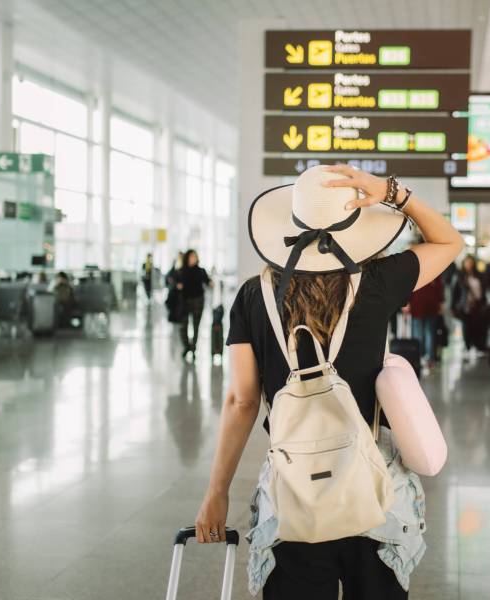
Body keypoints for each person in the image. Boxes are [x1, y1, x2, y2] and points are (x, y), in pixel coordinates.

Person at [195, 164, 463, 599]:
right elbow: (450, 241)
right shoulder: (379, 281)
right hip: (374, 487)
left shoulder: (251, 296)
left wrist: (217, 492)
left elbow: (241, 402)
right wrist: (393, 193)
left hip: (293, 488)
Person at [174, 249, 211, 359]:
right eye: (191, 257)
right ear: (187, 258)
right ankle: (187, 346)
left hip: (198, 301)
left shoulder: (201, 271)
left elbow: (207, 281)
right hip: (185, 302)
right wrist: (177, 285)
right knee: (183, 327)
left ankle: (193, 348)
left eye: (195, 256)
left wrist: (211, 283)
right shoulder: (181, 271)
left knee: (196, 326)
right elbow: (173, 281)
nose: (193, 259)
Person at [451, 254, 487, 359]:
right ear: (464, 263)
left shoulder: (479, 275)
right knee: (466, 327)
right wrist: (453, 306)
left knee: (477, 326)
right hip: (465, 306)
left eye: (471, 262)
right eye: (467, 262)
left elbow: (484, 289)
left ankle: (476, 346)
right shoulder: (459, 276)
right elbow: (455, 292)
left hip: (478, 305)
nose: (469, 264)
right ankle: (467, 347)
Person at [406, 273, 444, 369]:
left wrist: (406, 302)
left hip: (419, 304)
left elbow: (409, 285)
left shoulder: (415, 266)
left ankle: (419, 358)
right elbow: (439, 287)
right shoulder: (435, 267)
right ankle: (428, 359)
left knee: (421, 334)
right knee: (429, 333)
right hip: (427, 304)